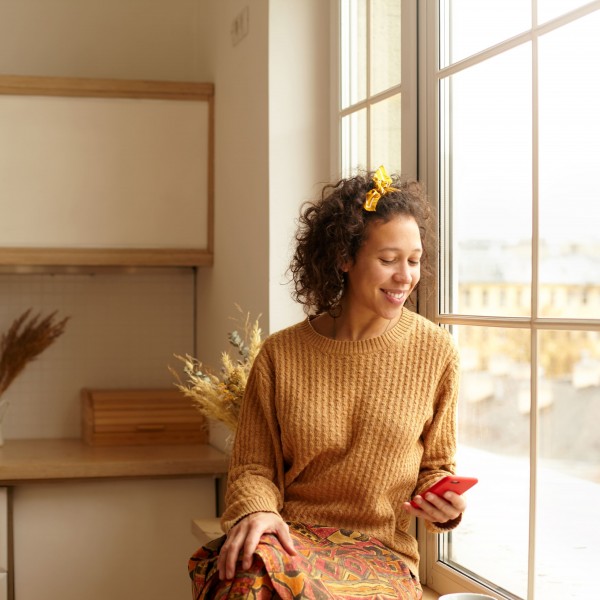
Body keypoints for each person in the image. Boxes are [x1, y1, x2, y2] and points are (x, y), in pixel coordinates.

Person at [189, 166, 465, 599]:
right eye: (389, 260)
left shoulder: (435, 353)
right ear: (344, 258)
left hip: (380, 553)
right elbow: (254, 467)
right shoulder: (280, 354)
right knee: (244, 575)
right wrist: (259, 511)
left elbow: (435, 469)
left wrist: (442, 502)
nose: (405, 276)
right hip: (289, 539)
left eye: (414, 260)